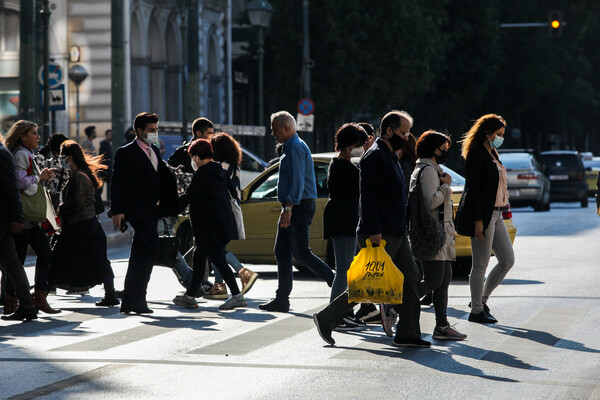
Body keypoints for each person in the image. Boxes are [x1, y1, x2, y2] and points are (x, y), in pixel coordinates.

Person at [313, 110, 430, 348]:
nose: (407, 137)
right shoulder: (375, 156)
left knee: (411, 278)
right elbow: (368, 198)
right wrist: (374, 230)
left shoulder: (390, 155)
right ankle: (326, 318)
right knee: (367, 285)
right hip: (380, 232)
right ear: (388, 130)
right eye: (403, 132)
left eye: (408, 132)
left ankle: (408, 333)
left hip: (395, 230)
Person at [259, 111, 335, 313]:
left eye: (275, 129)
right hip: (296, 205)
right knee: (282, 251)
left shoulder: (294, 147)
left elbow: (296, 180)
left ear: (286, 128)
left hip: (298, 206)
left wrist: (288, 207)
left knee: (301, 253)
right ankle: (281, 299)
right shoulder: (292, 146)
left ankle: (336, 284)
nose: (273, 133)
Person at [110, 112, 179, 314]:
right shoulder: (126, 152)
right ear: (139, 131)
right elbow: (117, 182)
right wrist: (117, 211)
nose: (154, 134)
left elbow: (161, 178)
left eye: (156, 130)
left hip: (153, 210)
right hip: (137, 210)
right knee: (150, 247)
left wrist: (166, 206)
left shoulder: (154, 150)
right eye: (151, 130)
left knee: (141, 252)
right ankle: (138, 298)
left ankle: (131, 300)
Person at [172, 139, 247, 310]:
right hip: (220, 224)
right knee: (199, 258)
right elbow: (231, 191)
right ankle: (190, 296)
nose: (193, 160)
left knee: (218, 260)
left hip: (210, 227)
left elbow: (188, 196)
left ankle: (237, 296)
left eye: (192, 157)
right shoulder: (219, 170)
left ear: (197, 157)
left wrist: (168, 209)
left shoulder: (203, 174)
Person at [455, 114, 515, 324]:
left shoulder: (493, 154)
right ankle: (476, 312)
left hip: (497, 214)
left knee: (507, 260)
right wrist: (478, 221)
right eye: (498, 134)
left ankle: (480, 301)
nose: (500, 138)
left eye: (502, 135)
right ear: (487, 133)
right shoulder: (476, 155)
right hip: (484, 216)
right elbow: (473, 191)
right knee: (480, 265)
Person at [48, 140, 119, 307]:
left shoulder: (79, 176)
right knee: (99, 262)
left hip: (80, 227)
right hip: (88, 226)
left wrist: (61, 208)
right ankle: (110, 294)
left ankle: (41, 293)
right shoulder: (81, 174)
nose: (61, 160)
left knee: (59, 259)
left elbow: (77, 202)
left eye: (63, 156)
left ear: (70, 157)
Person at [411, 130, 467, 340]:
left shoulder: (431, 169)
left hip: (439, 233)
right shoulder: (427, 171)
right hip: (431, 234)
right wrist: (446, 186)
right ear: (432, 148)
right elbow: (430, 202)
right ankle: (397, 305)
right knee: (434, 280)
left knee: (444, 279)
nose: (446, 151)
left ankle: (442, 326)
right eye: (443, 147)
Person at [3, 120, 59, 315]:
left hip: (30, 219)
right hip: (24, 217)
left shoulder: (27, 154)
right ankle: (14, 301)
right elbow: (18, 182)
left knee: (39, 254)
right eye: (34, 133)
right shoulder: (20, 154)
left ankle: (37, 297)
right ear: (22, 136)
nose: (38, 137)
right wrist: (39, 177)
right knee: (17, 260)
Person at [204, 132, 259, 299]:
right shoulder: (234, 167)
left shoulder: (217, 166)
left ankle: (243, 272)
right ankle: (219, 287)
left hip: (218, 212)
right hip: (229, 213)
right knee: (218, 249)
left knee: (216, 250)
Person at [322, 123, 366, 330]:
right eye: (358, 144)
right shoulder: (342, 165)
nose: (359, 148)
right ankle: (334, 315)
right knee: (344, 270)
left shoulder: (340, 163)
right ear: (350, 145)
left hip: (342, 219)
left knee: (346, 269)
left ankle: (343, 313)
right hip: (343, 220)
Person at [0, 135, 38, 321]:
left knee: (13, 264)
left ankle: (27, 304)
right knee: (12, 264)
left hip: (2, 220)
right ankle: (27, 305)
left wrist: (17, 217)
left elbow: (12, 189)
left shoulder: (2, 154)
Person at [98, 129, 113, 200]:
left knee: (107, 186)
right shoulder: (104, 144)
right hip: (104, 168)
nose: (111, 136)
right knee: (101, 186)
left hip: (106, 168)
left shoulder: (107, 144)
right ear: (106, 135)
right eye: (109, 135)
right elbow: (102, 156)